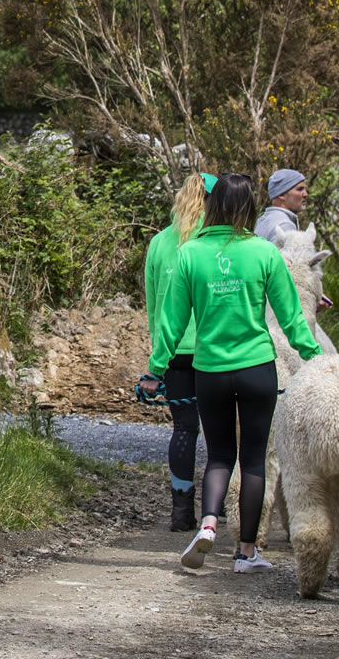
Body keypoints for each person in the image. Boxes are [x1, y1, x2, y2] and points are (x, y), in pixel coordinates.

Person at [143, 173, 324, 574]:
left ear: (214, 205)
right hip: (257, 368)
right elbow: (292, 317)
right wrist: (315, 356)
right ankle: (246, 552)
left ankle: (207, 524)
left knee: (220, 456)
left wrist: (156, 369)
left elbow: (170, 321)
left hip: (210, 371)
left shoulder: (190, 254)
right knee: (254, 461)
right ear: (248, 209)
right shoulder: (263, 253)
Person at [143, 172, 214, 532]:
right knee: (221, 432)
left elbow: (154, 306)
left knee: (184, 429)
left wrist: (159, 355)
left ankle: (181, 511)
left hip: (173, 354)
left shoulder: (158, 243)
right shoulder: (217, 243)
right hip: (214, 350)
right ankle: (218, 511)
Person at [254, 168, 308, 244]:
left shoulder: (263, 219)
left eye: (305, 189)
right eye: (300, 189)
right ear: (281, 195)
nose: (305, 194)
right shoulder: (284, 225)